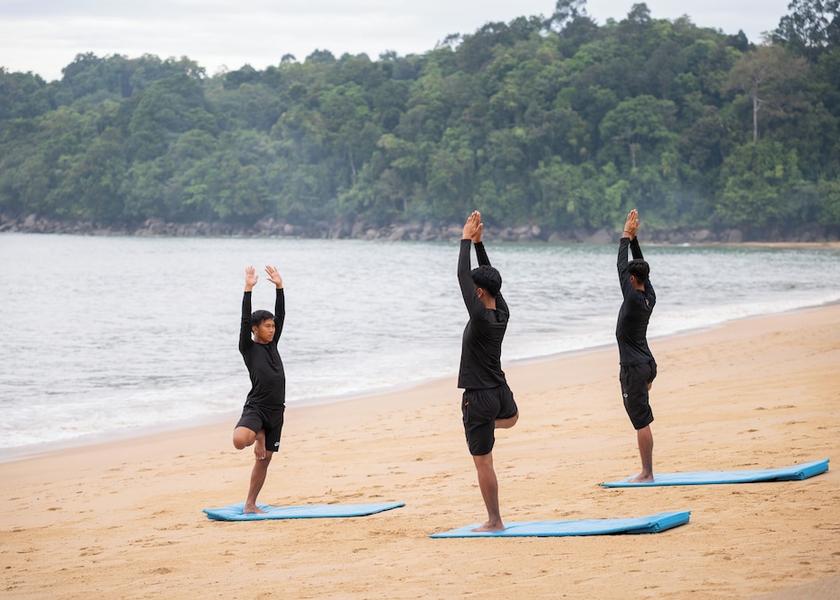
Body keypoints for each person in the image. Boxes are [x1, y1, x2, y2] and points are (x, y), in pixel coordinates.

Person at [457, 210, 519, 532]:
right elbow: (487, 277)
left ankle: (494, 520)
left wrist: (466, 240)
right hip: (498, 391)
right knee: (512, 417)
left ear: (479, 294)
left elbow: (462, 276)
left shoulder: (480, 316)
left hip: (479, 397)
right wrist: (481, 246)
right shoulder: (502, 312)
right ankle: (487, 425)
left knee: (484, 462)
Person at [233, 264, 286, 513]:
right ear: (255, 329)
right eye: (267, 326)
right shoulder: (248, 348)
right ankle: (259, 434)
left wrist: (279, 287)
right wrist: (248, 289)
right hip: (257, 406)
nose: (272, 329)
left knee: (263, 460)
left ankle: (250, 504)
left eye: (273, 326)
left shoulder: (273, 345)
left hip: (276, 410)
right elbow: (244, 319)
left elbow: (281, 314)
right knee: (239, 440)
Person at [616, 209, 657, 483]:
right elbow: (638, 265)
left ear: (632, 280)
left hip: (634, 366)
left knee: (640, 420)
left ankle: (647, 472)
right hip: (647, 364)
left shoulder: (631, 299)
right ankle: (646, 470)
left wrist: (625, 236)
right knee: (641, 411)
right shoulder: (648, 295)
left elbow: (621, 266)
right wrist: (635, 241)